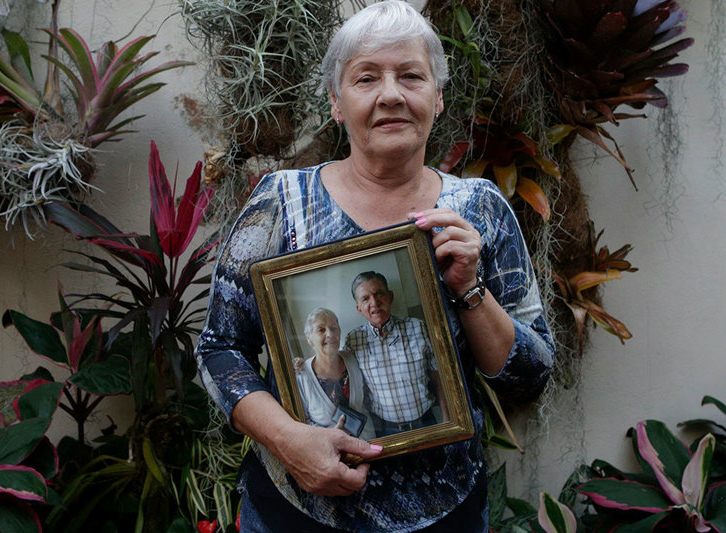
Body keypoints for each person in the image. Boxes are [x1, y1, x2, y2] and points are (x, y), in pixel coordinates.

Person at [194, 1, 555, 531]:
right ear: (337, 103)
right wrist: (288, 440)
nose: (391, 94)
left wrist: (470, 291)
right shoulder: (281, 202)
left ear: (436, 95)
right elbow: (219, 349)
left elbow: (530, 378)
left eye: (411, 75)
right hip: (296, 509)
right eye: (366, 78)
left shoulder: (477, 209)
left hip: (445, 511)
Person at [344, 271, 445, 436]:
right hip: (386, 431)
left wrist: (447, 417)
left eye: (379, 294)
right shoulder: (353, 340)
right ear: (359, 308)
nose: (374, 302)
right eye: (365, 299)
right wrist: (304, 367)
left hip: (426, 423)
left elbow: (438, 375)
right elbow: (339, 375)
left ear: (390, 297)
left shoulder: (417, 327)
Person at [296, 308, 375, 440]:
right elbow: (302, 423)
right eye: (321, 330)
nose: (330, 334)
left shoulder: (352, 358)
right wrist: (332, 435)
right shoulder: (301, 375)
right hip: (331, 450)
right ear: (309, 338)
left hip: (368, 440)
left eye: (333, 328)